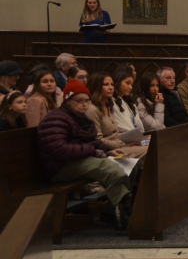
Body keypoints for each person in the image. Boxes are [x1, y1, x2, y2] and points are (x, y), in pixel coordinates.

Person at [37, 79, 132, 231]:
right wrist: (93, 151)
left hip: (75, 161)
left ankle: (115, 211)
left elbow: (91, 140)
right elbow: (60, 150)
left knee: (128, 164)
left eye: (87, 100)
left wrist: (107, 151)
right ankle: (121, 213)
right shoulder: (56, 119)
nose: (85, 104)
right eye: (79, 101)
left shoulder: (79, 118)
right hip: (59, 167)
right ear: (67, 100)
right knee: (109, 168)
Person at [85, 72, 147, 159]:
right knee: (149, 150)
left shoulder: (109, 106)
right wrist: (121, 144)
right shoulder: (91, 109)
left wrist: (133, 136)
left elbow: (115, 132)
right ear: (97, 87)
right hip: (108, 150)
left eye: (112, 84)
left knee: (152, 145)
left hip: (118, 144)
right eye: (106, 84)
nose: (111, 88)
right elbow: (97, 139)